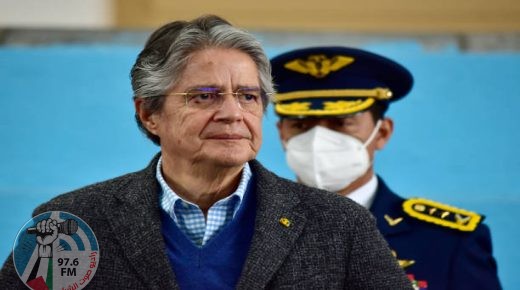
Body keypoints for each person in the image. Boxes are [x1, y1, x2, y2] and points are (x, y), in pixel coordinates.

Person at [0, 16, 413, 289]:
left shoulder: (340, 226)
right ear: (149, 113)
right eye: (204, 96)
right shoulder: (71, 224)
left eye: (248, 96)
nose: (233, 114)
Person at [270, 46, 502, 290]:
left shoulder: (448, 242)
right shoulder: (250, 228)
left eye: (341, 123)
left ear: (382, 133)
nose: (318, 138)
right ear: (281, 133)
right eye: (300, 125)